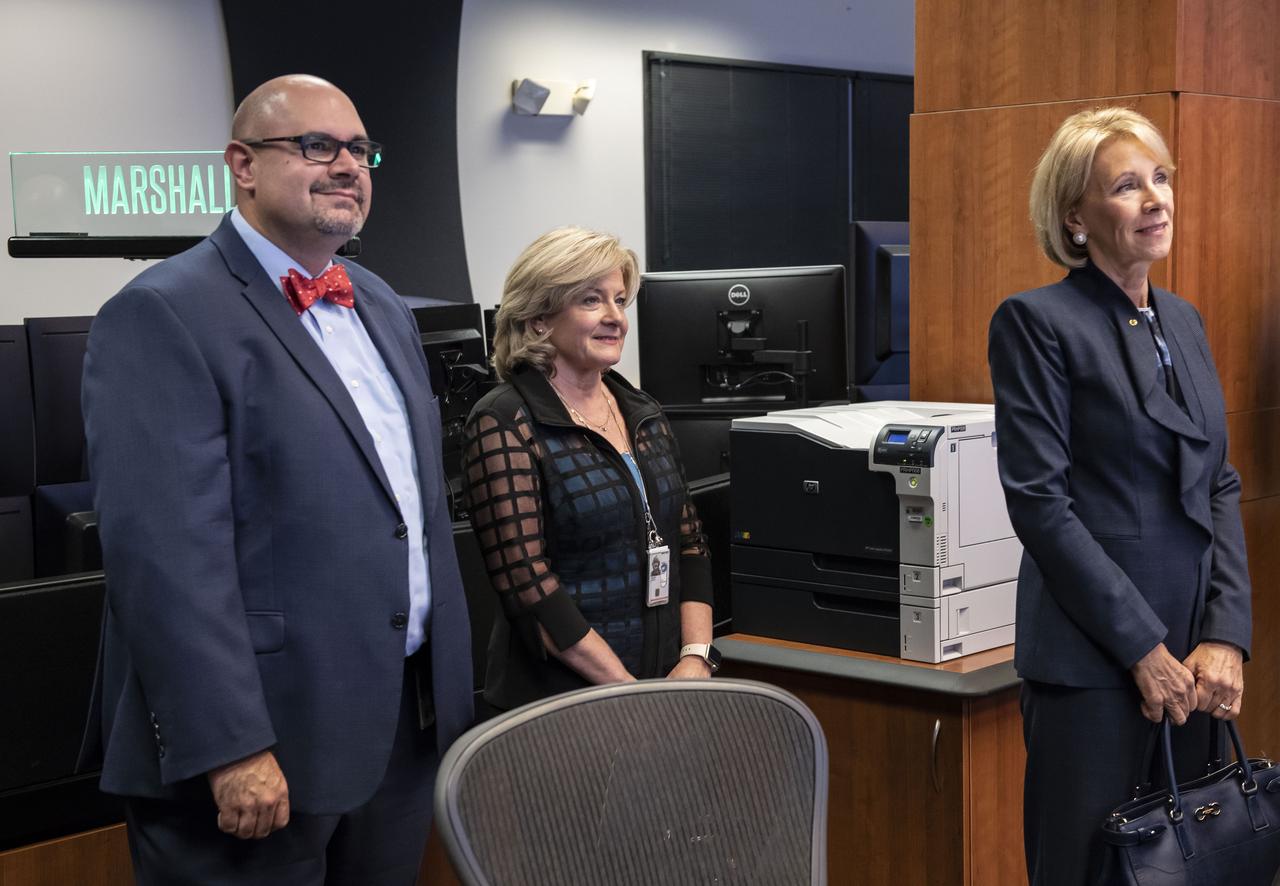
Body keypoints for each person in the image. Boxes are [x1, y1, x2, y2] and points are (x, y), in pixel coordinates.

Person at [82, 74, 473, 885]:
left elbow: (409, 513)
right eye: (315, 146)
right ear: (242, 165)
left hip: (402, 727)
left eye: (360, 150)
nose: (346, 166)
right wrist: (230, 746)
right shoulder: (163, 311)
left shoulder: (381, 302)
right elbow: (164, 559)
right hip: (263, 745)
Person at [987, 107, 1252, 885]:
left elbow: (1220, 483)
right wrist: (1142, 648)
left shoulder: (1184, 320)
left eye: (1161, 179)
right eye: (1127, 186)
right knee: (1091, 872)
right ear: (1076, 217)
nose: (1155, 199)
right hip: (1096, 662)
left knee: (1189, 868)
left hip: (1197, 660)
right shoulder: (1038, 323)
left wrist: (1227, 633)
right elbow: (1040, 502)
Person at [460, 227, 717, 711]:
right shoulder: (505, 420)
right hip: (563, 703)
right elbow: (528, 584)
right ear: (538, 318)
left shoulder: (642, 411)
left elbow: (690, 544)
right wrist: (626, 689)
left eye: (620, 300)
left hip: (665, 683)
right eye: (591, 300)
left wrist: (696, 658)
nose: (615, 317)